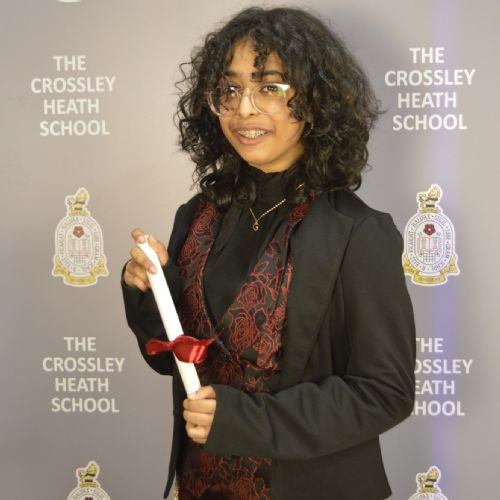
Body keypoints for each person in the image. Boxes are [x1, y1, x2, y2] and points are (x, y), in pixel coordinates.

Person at [122, 6, 415, 500]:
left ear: (316, 102)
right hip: (199, 487)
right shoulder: (197, 215)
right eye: (230, 89)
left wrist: (248, 420)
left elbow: (385, 393)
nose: (244, 109)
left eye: (270, 87)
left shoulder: (358, 232)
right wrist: (153, 289)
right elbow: (173, 360)